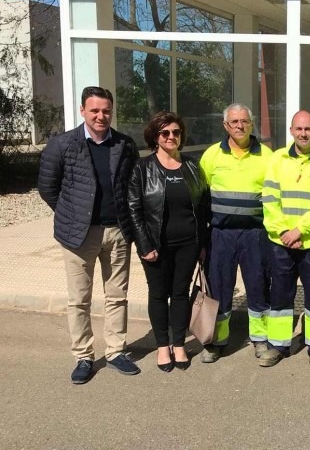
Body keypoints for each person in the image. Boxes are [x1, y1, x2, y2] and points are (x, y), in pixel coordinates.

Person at [38, 86, 140, 384]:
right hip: (78, 235)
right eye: (94, 110)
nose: (101, 116)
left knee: (117, 296)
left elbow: (132, 186)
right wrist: (72, 214)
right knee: (79, 299)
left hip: (117, 232)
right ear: (83, 110)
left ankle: (116, 351)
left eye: (106, 111)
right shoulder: (62, 144)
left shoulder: (125, 144)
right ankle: (83, 356)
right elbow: (48, 187)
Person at [127, 111, 209, 372]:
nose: (171, 136)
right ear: (155, 136)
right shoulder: (143, 168)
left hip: (188, 243)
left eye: (176, 132)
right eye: (165, 133)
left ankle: (179, 344)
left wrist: (203, 243)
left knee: (181, 294)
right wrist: (144, 245)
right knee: (159, 295)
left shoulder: (192, 166)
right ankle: (163, 346)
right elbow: (133, 209)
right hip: (156, 245)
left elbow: (204, 207)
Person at [261, 110, 310, 368]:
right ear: (291, 131)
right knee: (280, 296)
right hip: (281, 243)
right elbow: (269, 199)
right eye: (299, 129)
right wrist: (284, 232)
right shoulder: (278, 159)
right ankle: (277, 345)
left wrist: (299, 231)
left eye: (308, 129)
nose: (303, 133)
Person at [199, 103, 272, 363]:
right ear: (225, 125)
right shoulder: (211, 156)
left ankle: (260, 339)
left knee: (258, 285)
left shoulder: (267, 155)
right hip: (221, 234)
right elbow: (201, 197)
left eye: (245, 121)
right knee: (218, 288)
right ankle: (217, 340)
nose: (240, 126)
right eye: (234, 122)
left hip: (256, 234)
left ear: (252, 124)